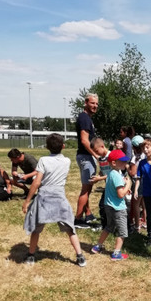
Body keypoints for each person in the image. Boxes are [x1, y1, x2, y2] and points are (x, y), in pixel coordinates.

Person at [22, 133, 86, 267]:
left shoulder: (43, 160)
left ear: (46, 147)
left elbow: (37, 182)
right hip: (59, 197)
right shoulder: (67, 161)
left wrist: (27, 200)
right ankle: (80, 256)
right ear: (63, 146)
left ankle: (31, 256)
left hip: (44, 197)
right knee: (70, 228)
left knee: (36, 228)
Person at [90, 150, 131, 261]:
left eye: (125, 161)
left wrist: (124, 185)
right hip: (118, 208)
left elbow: (115, 188)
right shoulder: (117, 176)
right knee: (122, 232)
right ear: (113, 163)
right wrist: (128, 184)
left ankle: (98, 246)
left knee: (109, 227)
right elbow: (120, 194)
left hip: (108, 206)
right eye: (122, 162)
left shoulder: (111, 174)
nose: (125, 164)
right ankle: (116, 253)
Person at [74, 93, 99, 229]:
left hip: (85, 156)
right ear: (86, 103)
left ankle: (87, 213)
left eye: (96, 104)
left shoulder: (87, 118)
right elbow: (84, 141)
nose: (95, 106)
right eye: (92, 103)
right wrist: (96, 155)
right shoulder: (84, 118)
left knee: (88, 187)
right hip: (85, 157)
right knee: (86, 189)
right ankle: (78, 219)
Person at [90, 137, 111, 230]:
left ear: (102, 146)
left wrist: (100, 178)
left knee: (107, 206)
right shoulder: (101, 159)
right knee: (103, 206)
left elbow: (113, 174)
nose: (96, 153)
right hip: (108, 185)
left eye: (96, 150)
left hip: (115, 186)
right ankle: (105, 226)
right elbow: (103, 171)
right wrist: (97, 177)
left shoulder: (111, 157)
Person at [128, 135, 146, 233]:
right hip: (146, 181)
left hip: (138, 182)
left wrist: (127, 167)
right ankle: (145, 221)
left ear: (134, 147)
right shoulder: (146, 155)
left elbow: (133, 173)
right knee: (144, 203)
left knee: (135, 204)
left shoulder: (135, 157)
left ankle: (136, 225)